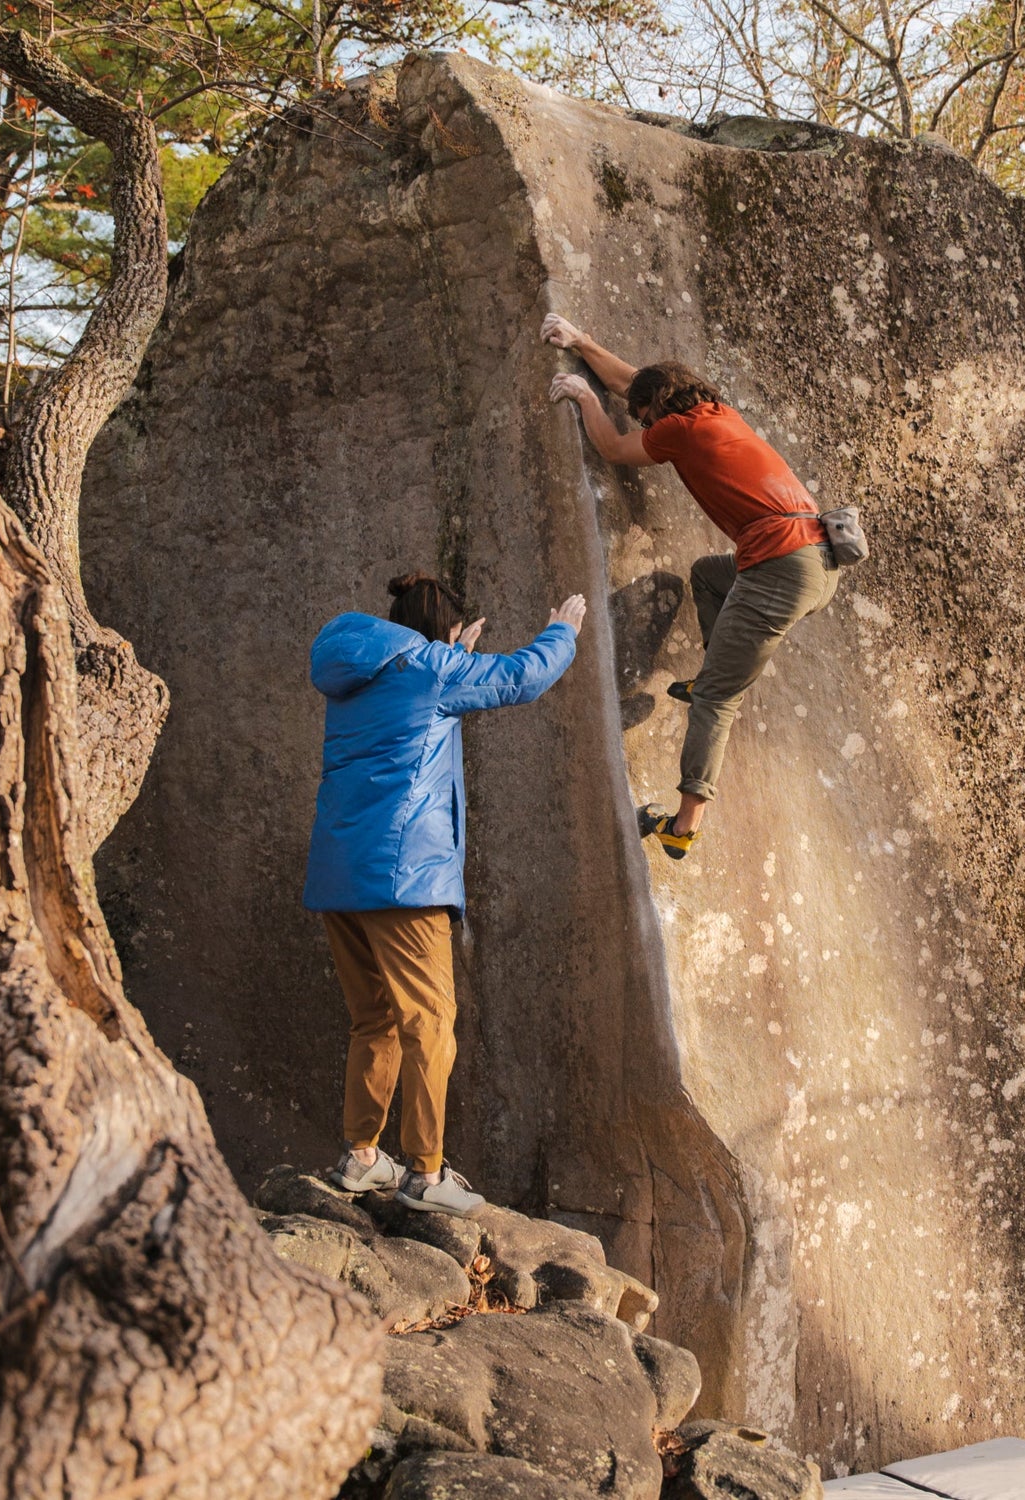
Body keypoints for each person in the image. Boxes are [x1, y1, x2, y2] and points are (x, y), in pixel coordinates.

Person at [304, 571, 586, 1217]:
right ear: (447, 629)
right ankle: (426, 1173)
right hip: (406, 877)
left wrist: (451, 653)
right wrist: (561, 630)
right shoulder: (434, 669)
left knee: (373, 1018)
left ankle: (363, 1156)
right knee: (428, 1024)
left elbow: (414, 692)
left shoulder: (357, 670)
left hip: (342, 873)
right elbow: (524, 676)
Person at [542, 312, 838, 861]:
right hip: (818, 559)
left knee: (719, 702)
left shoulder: (678, 429)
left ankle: (682, 825)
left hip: (781, 566)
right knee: (706, 575)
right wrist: (582, 339)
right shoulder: (715, 413)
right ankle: (711, 673)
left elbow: (612, 446)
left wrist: (584, 397)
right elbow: (633, 384)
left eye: (645, 417)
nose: (643, 424)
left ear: (661, 410)